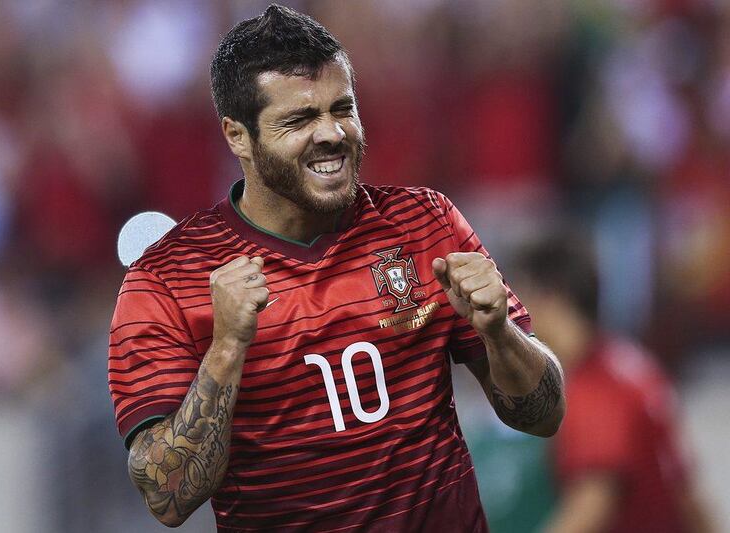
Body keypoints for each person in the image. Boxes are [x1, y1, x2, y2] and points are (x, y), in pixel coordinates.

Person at [108, 5, 565, 531]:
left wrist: (500, 334)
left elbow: (543, 415)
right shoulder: (167, 279)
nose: (331, 133)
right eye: (299, 119)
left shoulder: (423, 224)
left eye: (341, 108)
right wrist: (226, 349)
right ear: (238, 136)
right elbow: (166, 497)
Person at [510, 237, 713, 533]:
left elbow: (591, 503)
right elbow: (687, 496)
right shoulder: (632, 364)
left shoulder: (592, 391)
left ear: (549, 297)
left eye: (516, 297)